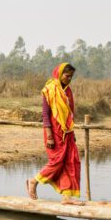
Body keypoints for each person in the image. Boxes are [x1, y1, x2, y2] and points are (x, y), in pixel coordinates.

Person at [26, 63, 82, 204]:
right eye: (67, 75)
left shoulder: (68, 91)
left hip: (67, 132)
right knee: (57, 162)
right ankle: (34, 181)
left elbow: (70, 113)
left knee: (70, 162)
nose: (69, 79)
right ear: (59, 73)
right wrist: (49, 136)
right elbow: (45, 114)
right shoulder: (49, 90)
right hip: (54, 133)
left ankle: (66, 197)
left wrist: (72, 132)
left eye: (71, 77)